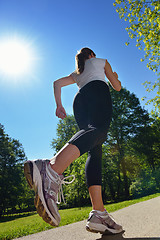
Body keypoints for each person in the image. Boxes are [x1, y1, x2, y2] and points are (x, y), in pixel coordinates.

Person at [24, 47, 124, 235]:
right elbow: (117, 87)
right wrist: (115, 78)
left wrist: (59, 105)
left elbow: (57, 83)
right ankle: (51, 168)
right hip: (98, 92)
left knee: (95, 148)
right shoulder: (101, 61)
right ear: (91, 55)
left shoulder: (77, 73)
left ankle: (99, 213)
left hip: (79, 101)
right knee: (99, 132)